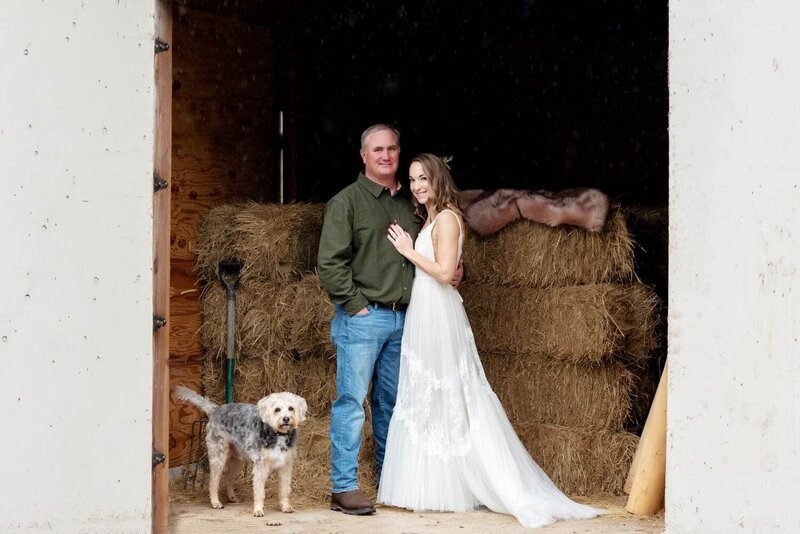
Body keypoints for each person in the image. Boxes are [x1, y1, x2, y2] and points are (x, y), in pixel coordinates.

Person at [378, 154, 603, 528]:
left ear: (438, 180)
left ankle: (466, 483)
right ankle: (431, 485)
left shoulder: (447, 218)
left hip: (438, 313)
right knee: (427, 393)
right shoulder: (431, 218)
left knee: (449, 392)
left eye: (423, 179)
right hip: (425, 310)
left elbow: (446, 272)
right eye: (413, 179)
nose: (417, 186)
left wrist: (408, 251)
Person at [318, 125, 463, 516]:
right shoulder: (346, 203)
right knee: (351, 402)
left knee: (394, 404)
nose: (386, 155)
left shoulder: (414, 204)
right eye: (377, 149)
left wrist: (453, 269)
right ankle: (344, 487)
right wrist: (356, 305)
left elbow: (437, 252)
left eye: (392, 148)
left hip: (409, 320)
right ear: (363, 156)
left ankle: (391, 478)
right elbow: (330, 264)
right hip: (365, 318)